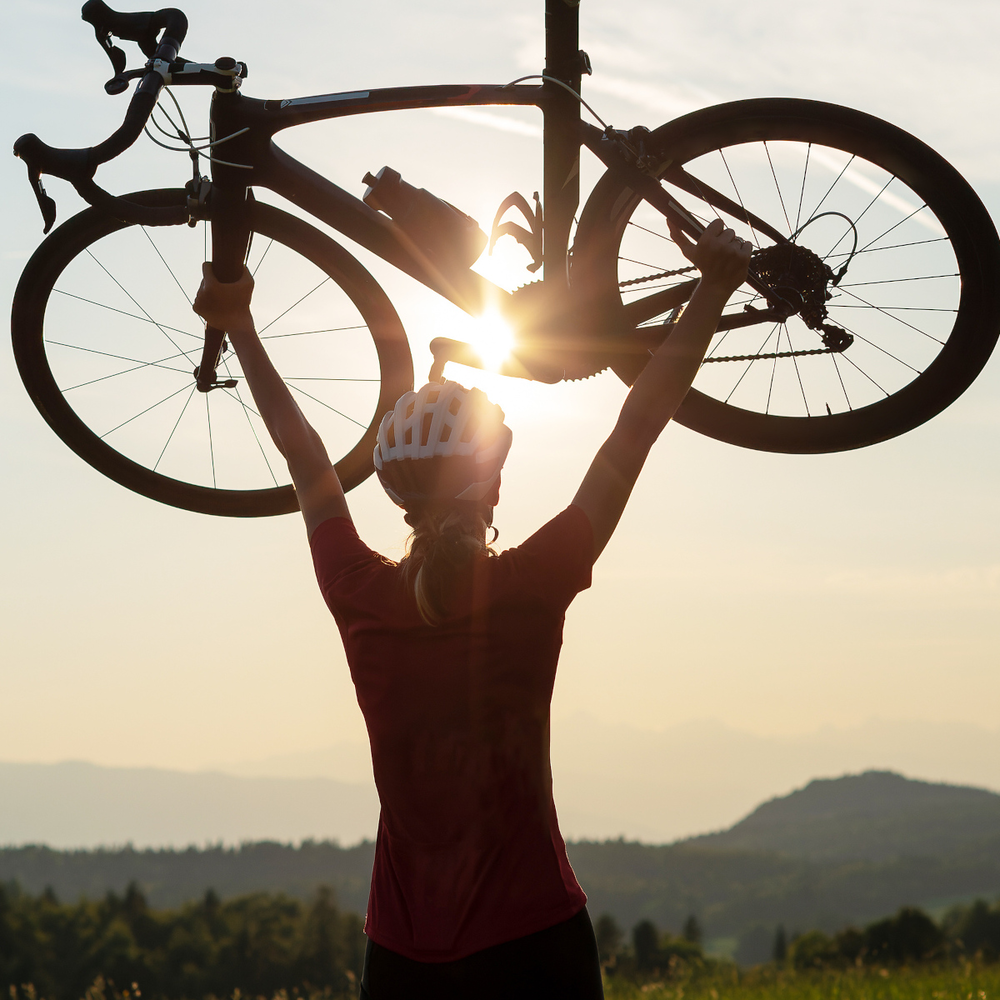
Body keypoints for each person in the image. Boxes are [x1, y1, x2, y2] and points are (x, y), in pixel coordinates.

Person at [193, 218, 751, 1000]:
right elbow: (635, 430)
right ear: (489, 482)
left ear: (398, 494)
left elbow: (306, 457)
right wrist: (715, 288)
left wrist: (238, 326)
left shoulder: (359, 593)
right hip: (535, 936)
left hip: (403, 948)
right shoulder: (533, 581)